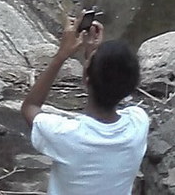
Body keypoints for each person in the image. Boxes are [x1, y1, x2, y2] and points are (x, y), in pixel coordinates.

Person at [21, 13, 149, 195]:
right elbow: (111, 86)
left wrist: (61, 55)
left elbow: (29, 107)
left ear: (85, 78)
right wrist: (93, 55)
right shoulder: (139, 123)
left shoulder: (66, 135)